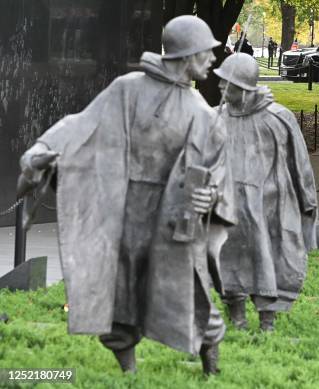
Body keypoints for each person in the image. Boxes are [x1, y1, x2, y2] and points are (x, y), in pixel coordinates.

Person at [17, 16, 236, 375]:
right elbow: (82, 124)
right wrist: (43, 148)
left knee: (191, 292)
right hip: (124, 211)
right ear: (186, 54)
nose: (213, 58)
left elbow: (215, 172)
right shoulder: (128, 89)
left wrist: (210, 197)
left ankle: (211, 366)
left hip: (172, 218)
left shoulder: (203, 114)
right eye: (207, 52)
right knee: (121, 294)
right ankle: (127, 372)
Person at [213, 53, 317, 332]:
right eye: (221, 82)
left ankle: (267, 320)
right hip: (228, 207)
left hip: (269, 207)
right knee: (229, 262)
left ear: (244, 89)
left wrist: (308, 208)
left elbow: (301, 166)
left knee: (268, 260)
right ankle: (236, 316)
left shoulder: (277, 118)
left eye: (228, 83)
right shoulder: (216, 118)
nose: (221, 88)